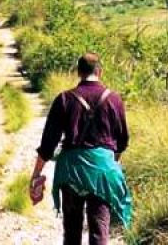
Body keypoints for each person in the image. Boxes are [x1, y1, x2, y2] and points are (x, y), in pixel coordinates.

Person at [30, 52, 132, 245]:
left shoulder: (64, 99)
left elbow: (47, 144)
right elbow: (123, 141)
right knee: (100, 230)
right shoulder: (115, 100)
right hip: (102, 173)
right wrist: (110, 164)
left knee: (72, 232)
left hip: (71, 173)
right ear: (100, 71)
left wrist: (36, 175)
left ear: (78, 72)